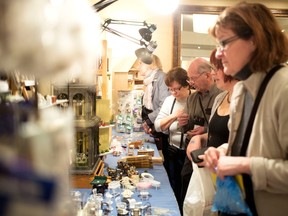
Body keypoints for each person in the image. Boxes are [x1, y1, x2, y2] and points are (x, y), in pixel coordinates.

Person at [203, 2, 288, 216]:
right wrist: (223, 151)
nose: (219, 54)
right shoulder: (241, 89)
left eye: (224, 43)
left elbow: (248, 161)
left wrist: (243, 164)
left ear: (255, 39)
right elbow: (246, 146)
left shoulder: (284, 88)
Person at [177, 57, 222, 213]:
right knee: (186, 184)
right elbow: (186, 128)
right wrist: (183, 123)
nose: (191, 82)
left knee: (207, 197)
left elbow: (222, 127)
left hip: (211, 153)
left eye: (193, 78)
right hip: (191, 154)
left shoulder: (221, 95)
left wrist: (204, 130)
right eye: (189, 79)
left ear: (207, 76)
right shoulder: (192, 98)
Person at [186, 49, 238, 161]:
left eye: (216, 68)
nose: (213, 73)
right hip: (211, 165)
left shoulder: (246, 101)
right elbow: (214, 135)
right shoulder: (220, 98)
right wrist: (199, 138)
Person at [154, 66, 192, 209]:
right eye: (171, 89)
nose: (174, 92)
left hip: (189, 153)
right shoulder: (170, 100)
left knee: (186, 190)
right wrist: (174, 116)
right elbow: (158, 126)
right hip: (172, 150)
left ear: (187, 84)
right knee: (172, 186)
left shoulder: (194, 99)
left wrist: (172, 125)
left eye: (177, 88)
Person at [137, 54, 170, 152]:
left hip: (159, 127)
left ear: (150, 64)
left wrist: (148, 120)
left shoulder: (162, 78)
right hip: (152, 125)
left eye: (140, 64)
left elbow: (164, 106)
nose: (138, 67)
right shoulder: (149, 80)